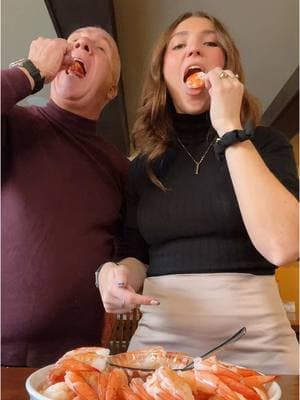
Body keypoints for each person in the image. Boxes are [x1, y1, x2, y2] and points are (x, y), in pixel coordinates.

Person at [97, 11, 299, 374]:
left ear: (227, 65)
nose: (194, 52)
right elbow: (134, 255)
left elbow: (285, 245)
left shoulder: (268, 144)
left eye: (210, 43)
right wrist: (116, 275)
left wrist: (229, 127)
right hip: (156, 354)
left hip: (262, 352)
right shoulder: (142, 166)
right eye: (179, 45)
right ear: (163, 71)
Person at [1, 26, 129, 367]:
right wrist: (29, 71)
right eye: (73, 42)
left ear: (112, 88)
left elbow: (130, 250)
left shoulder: (120, 167)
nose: (83, 44)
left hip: (75, 364)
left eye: (99, 48)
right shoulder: (14, 122)